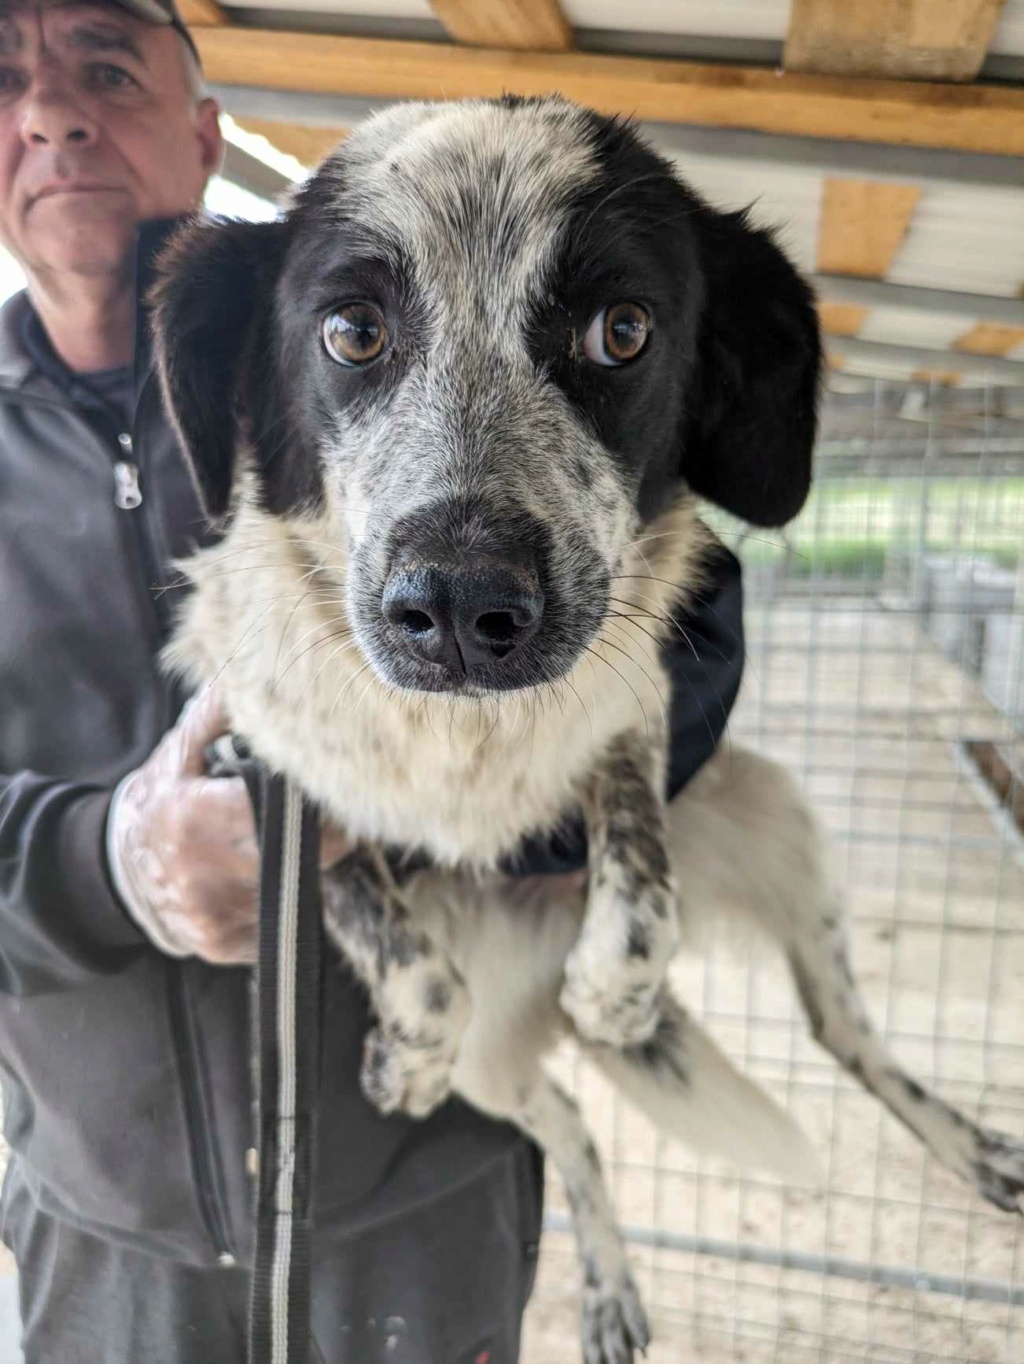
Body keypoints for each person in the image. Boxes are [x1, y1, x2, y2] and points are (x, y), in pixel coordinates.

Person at [0, 2, 746, 1359]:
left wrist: (538, 813)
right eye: (5, 83)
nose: (49, 114)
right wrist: (109, 861)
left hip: (429, 1193)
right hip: (101, 1230)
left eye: (104, 68)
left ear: (206, 129)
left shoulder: (319, 296)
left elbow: (690, 633)